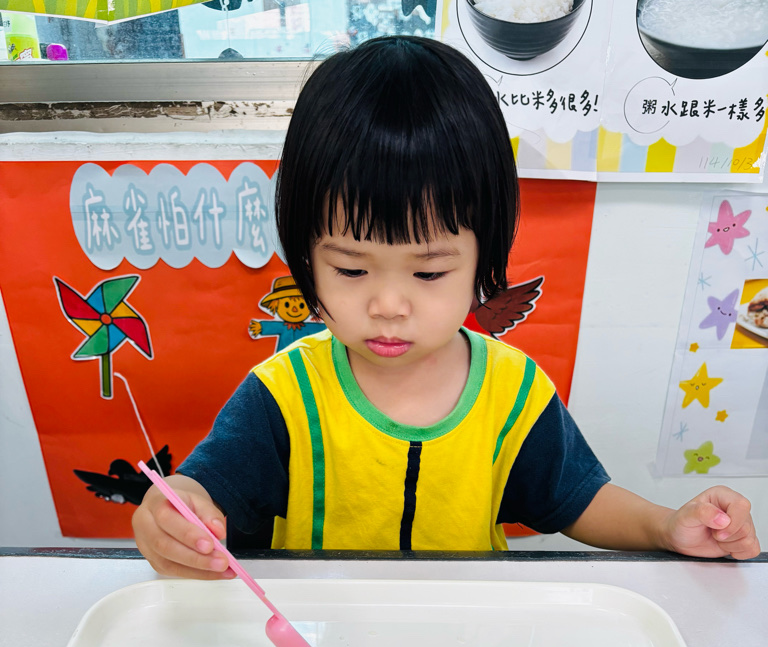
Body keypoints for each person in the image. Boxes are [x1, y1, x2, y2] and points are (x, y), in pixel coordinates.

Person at [132, 36, 760, 577]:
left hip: (469, 642)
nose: (387, 305)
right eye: (350, 269)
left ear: (486, 254)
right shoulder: (284, 395)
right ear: (305, 255)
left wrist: (666, 526)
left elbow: (577, 499)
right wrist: (172, 512)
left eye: (429, 272)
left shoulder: (512, 392)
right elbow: (201, 492)